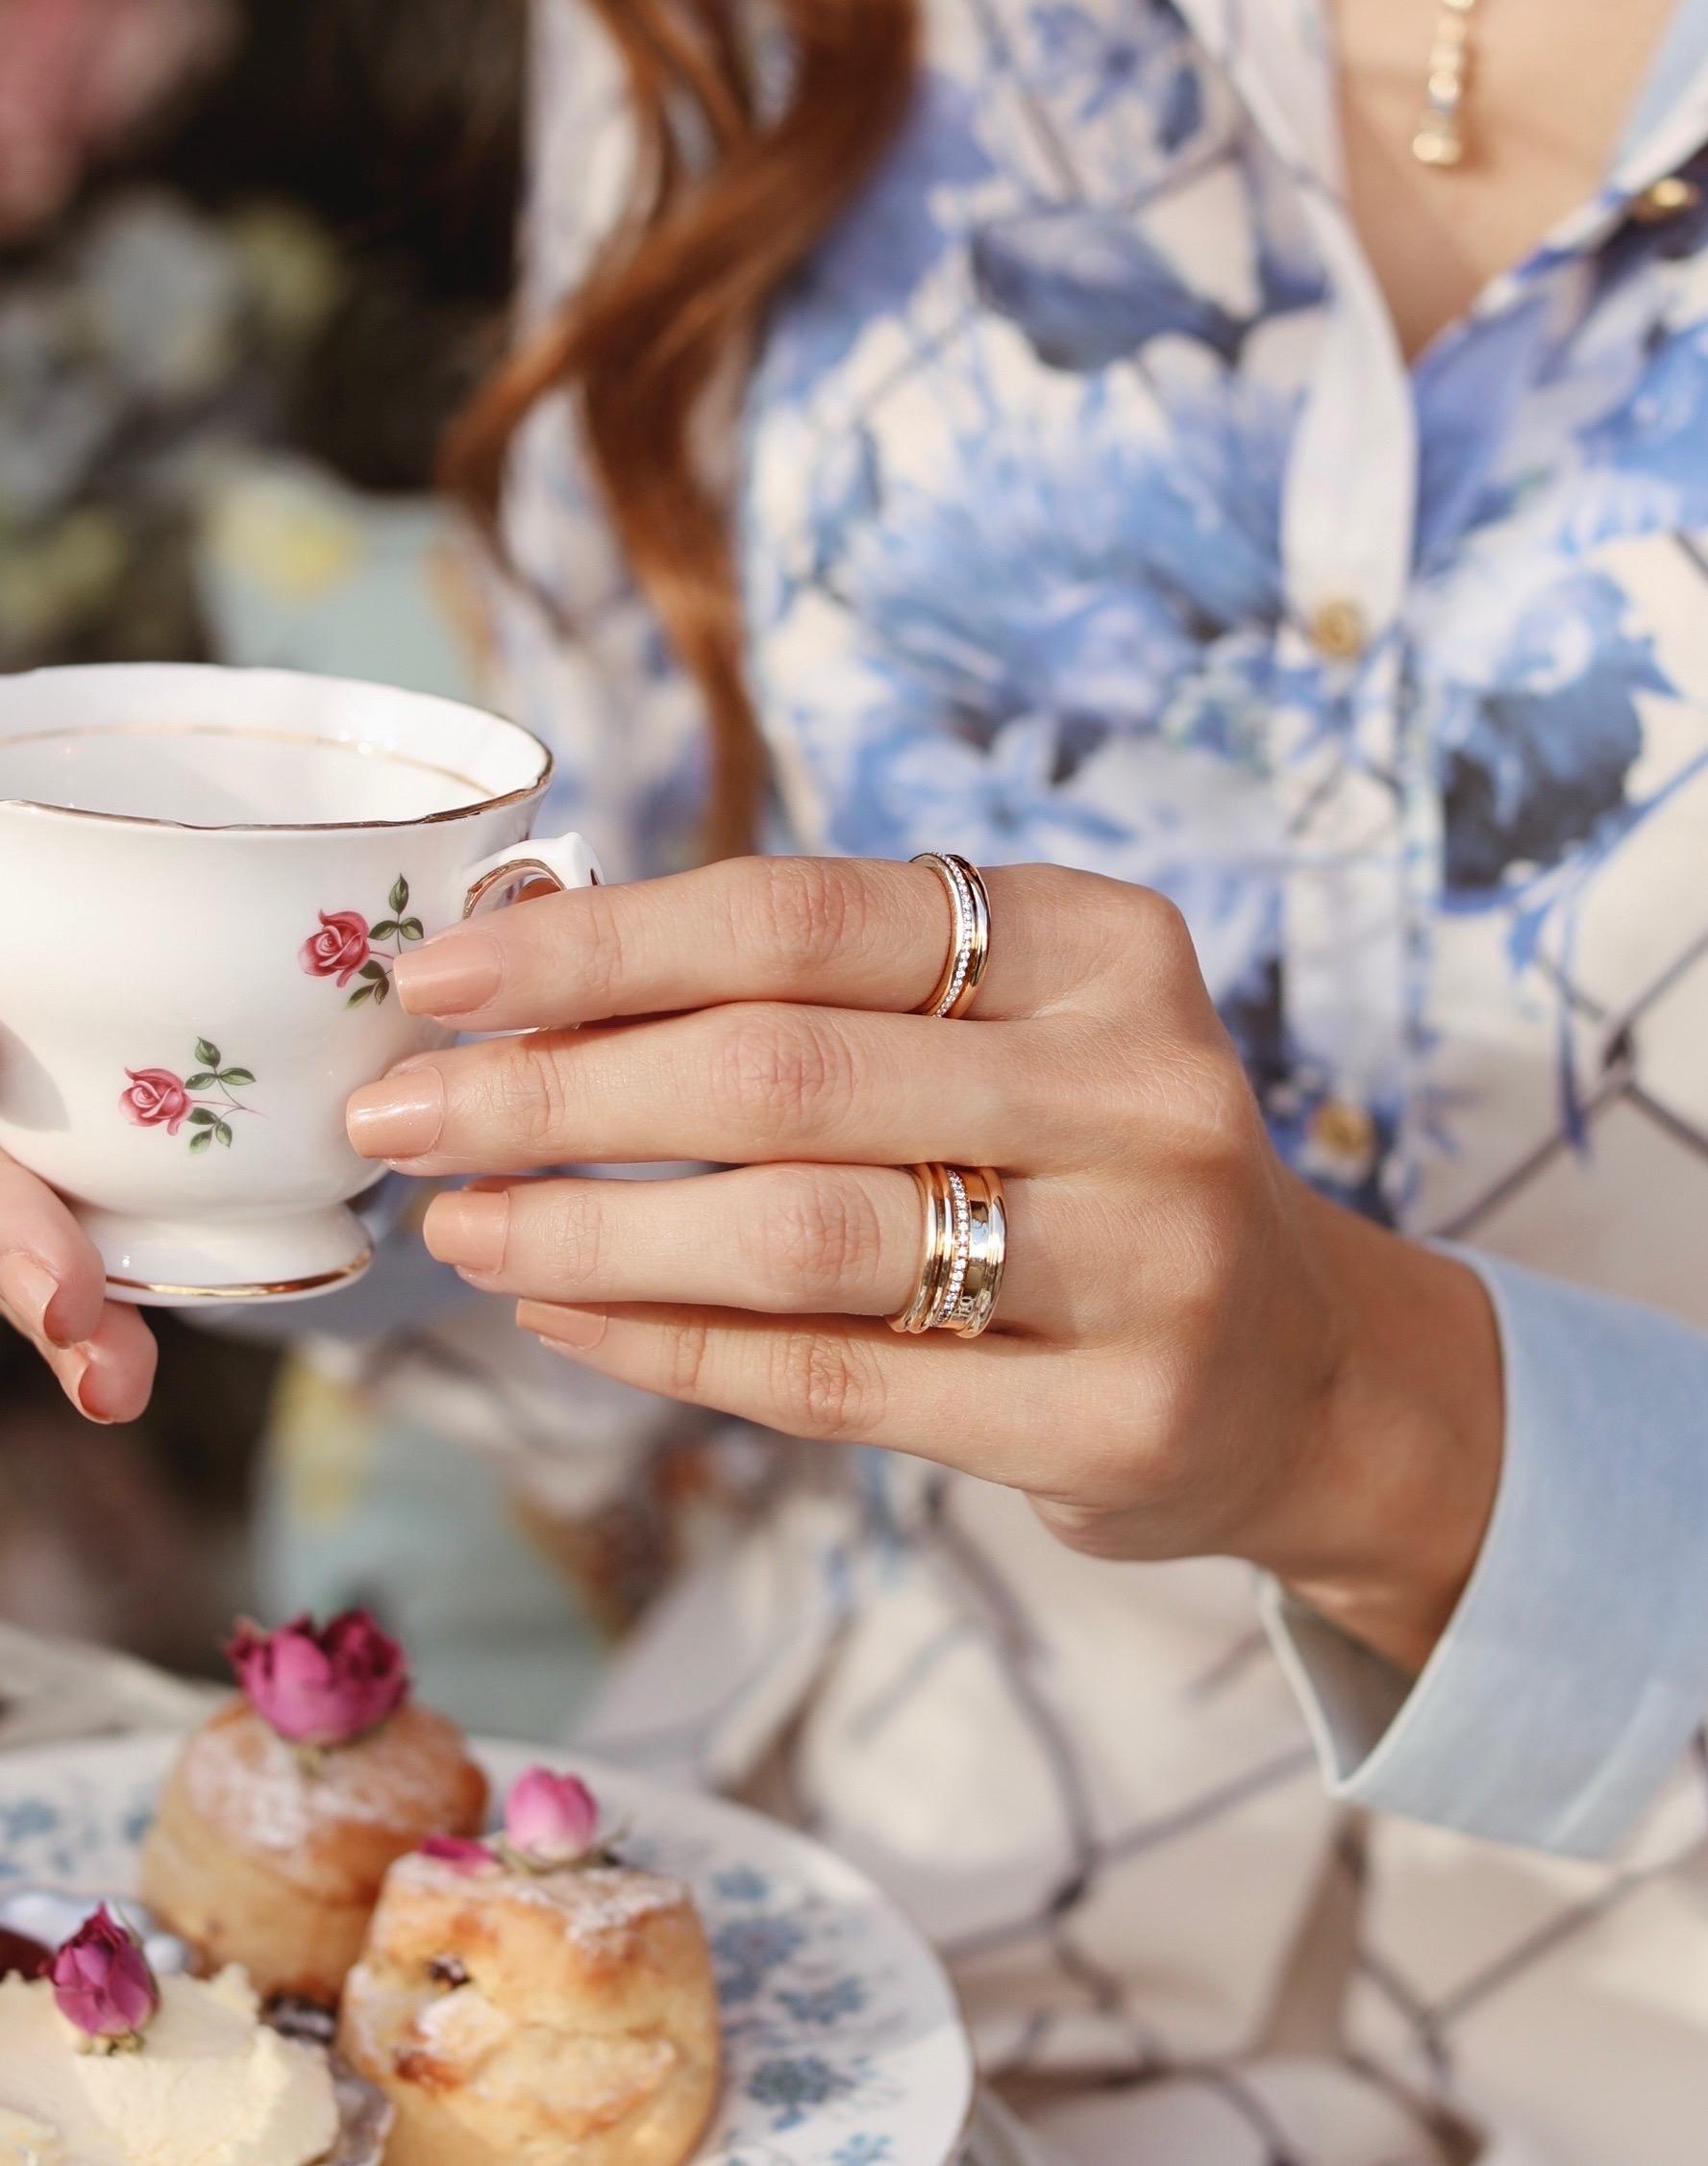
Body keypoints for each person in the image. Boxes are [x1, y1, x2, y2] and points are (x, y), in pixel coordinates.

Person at [8, 0, 1708, 2154]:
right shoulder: (728, 43)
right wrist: (152, 1130)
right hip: (815, 1957)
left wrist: (1372, 1424)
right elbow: (581, 1108)